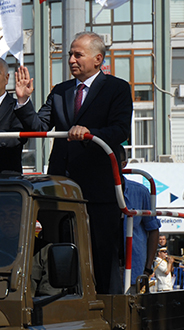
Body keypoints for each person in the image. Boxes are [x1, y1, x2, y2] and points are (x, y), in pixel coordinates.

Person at [14, 32, 132, 294]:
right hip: (61, 192)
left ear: (97, 58)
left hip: (99, 191)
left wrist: (89, 133)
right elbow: (38, 126)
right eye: (70, 54)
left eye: (78, 54)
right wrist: (23, 101)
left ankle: (107, 314)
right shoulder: (61, 91)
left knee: (102, 257)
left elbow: (120, 130)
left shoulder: (117, 89)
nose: (71, 59)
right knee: (60, 257)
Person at [123, 179, 160, 289]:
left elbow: (153, 229)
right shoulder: (94, 188)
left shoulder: (140, 191)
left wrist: (147, 269)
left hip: (134, 269)